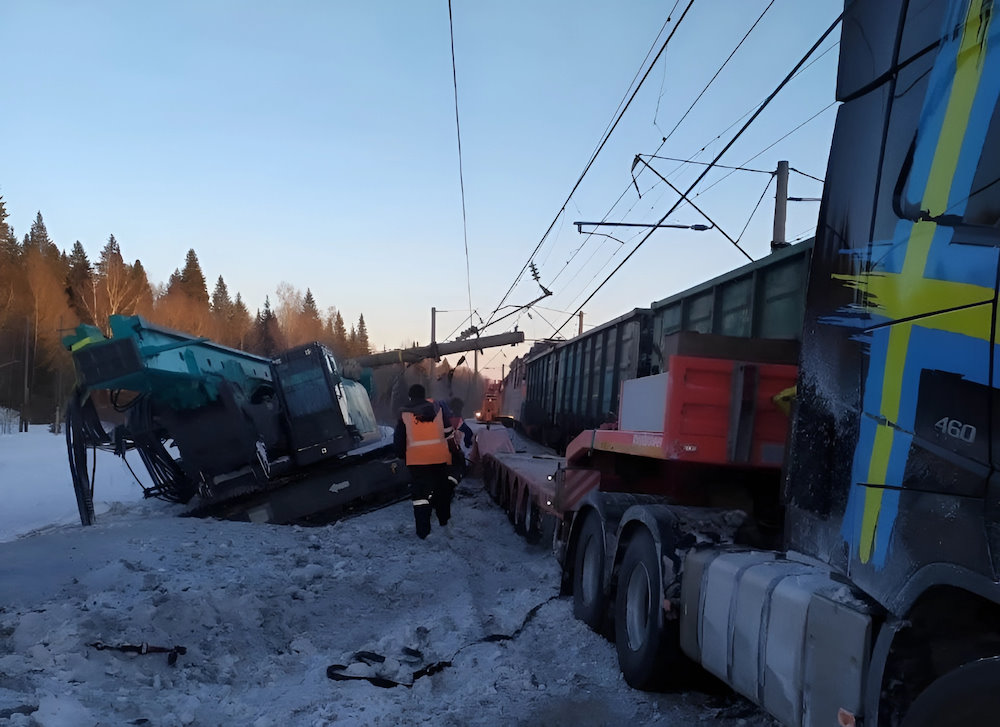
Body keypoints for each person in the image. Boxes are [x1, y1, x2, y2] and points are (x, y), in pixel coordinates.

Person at [394, 384, 454, 539]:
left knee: (420, 497)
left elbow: (399, 439)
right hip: (439, 458)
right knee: (441, 490)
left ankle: (423, 532)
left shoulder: (404, 414)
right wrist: (453, 452)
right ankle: (444, 523)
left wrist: (402, 455)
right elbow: (448, 432)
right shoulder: (437, 409)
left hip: (417, 461)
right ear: (424, 395)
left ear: (410, 396)